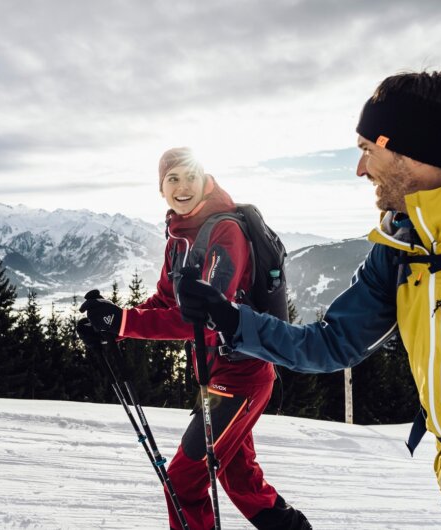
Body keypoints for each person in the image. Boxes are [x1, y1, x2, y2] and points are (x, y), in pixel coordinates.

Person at [176, 71, 441, 529]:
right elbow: (333, 344)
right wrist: (229, 319)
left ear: (413, 151)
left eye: (368, 150)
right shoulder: (404, 246)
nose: (360, 168)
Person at [78, 147, 312, 530]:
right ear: (161, 188)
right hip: (217, 374)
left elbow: (207, 319)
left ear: (206, 179)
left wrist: (123, 323)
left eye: (190, 176)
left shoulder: (225, 231)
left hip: (241, 375)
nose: (182, 187)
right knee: (239, 476)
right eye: (172, 179)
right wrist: (114, 326)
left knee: (184, 479)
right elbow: (166, 300)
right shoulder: (178, 236)